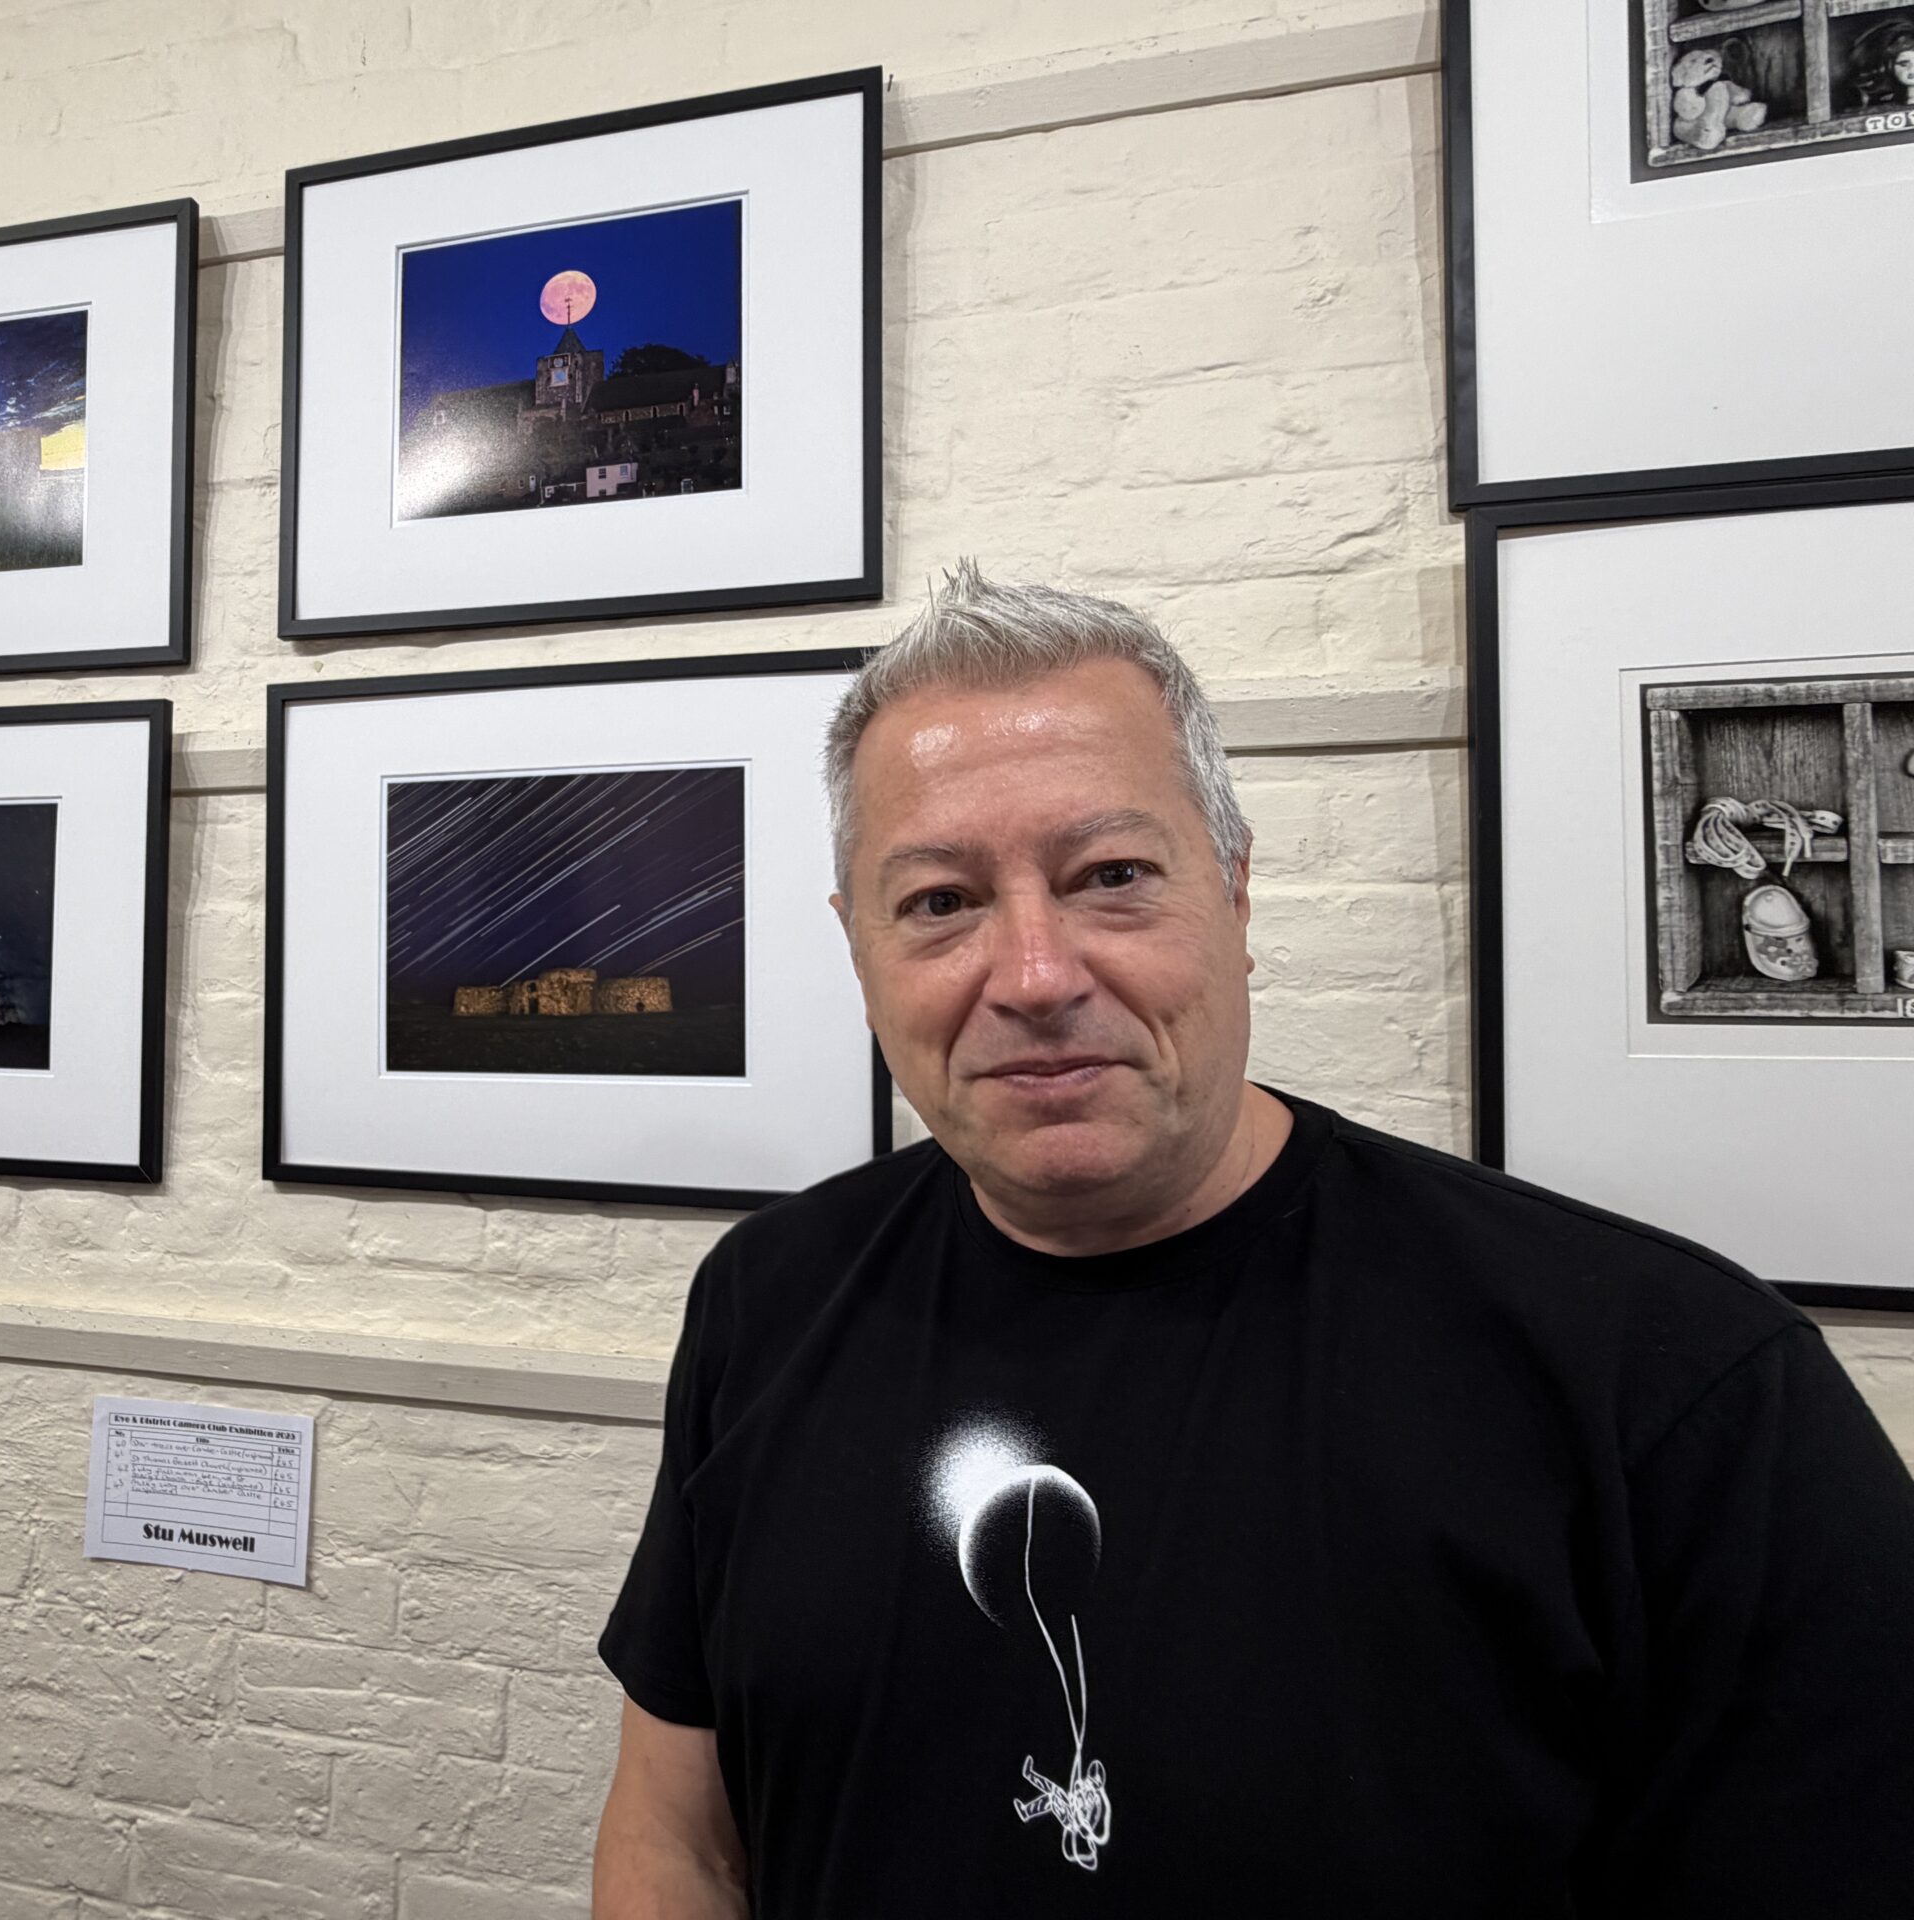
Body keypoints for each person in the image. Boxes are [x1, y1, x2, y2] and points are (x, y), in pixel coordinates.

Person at [590, 566, 1914, 1917]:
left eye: (1112, 877)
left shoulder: (1670, 1384)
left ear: (1233, 891)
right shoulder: (767, 1298)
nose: (1035, 974)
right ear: (858, 950)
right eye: (939, 902)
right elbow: (679, 1840)